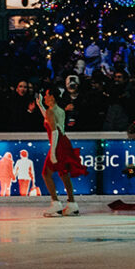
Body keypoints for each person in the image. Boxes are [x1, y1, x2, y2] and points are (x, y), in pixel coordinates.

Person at [38, 88, 87, 217]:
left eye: (47, 95)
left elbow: (54, 131)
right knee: (64, 172)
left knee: (46, 173)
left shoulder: (51, 111)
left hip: (58, 143)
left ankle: (55, 204)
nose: (45, 97)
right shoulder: (59, 110)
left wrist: (53, 152)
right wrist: (40, 106)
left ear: (53, 97)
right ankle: (72, 204)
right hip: (64, 142)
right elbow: (50, 120)